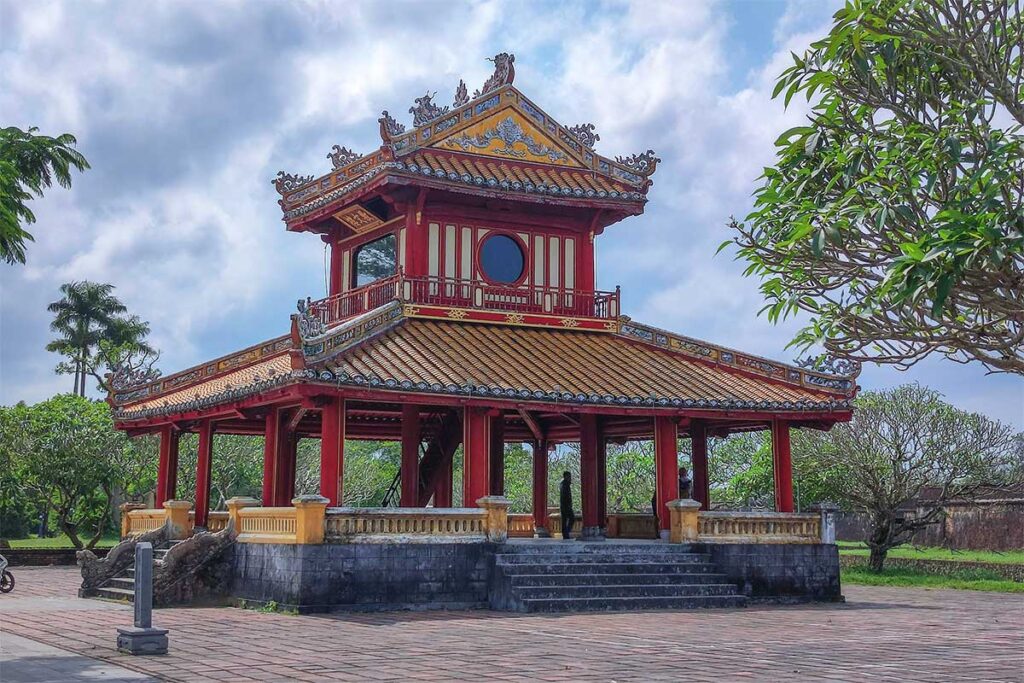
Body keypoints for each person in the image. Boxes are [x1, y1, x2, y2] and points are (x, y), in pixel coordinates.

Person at [559, 471, 575, 540]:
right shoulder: (565, 485)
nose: (570, 478)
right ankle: (566, 532)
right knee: (572, 518)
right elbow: (565, 496)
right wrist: (569, 505)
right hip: (566, 505)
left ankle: (565, 534)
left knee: (564, 520)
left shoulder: (563, 484)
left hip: (564, 505)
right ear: (566, 476)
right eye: (569, 476)